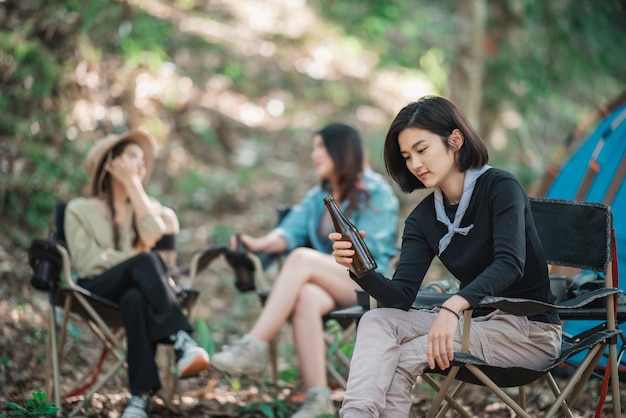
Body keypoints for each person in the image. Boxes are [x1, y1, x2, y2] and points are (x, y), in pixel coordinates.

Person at [330, 96, 562, 417]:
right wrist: (360, 269)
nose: (415, 164)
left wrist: (452, 307)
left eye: (422, 150)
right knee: (376, 319)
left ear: (455, 140)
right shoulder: (423, 218)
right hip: (471, 325)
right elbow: (399, 299)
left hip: (529, 331)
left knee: (405, 355)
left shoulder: (500, 187)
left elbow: (510, 263)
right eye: (407, 156)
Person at [212, 123, 399, 418]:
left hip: (368, 283)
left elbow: (371, 252)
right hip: (330, 284)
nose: (315, 155)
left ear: (342, 151)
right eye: (314, 148)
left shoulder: (376, 192)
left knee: (301, 259)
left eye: (321, 148)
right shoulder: (317, 197)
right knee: (307, 297)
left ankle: (254, 346)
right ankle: (318, 398)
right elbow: (287, 233)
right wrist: (256, 242)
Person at [64, 130, 211, 418]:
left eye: (143, 160)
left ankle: (138, 398)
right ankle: (181, 338)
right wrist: (132, 262)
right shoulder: (78, 210)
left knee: (134, 297)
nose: (141, 166)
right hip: (95, 290)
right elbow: (88, 261)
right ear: (110, 164)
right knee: (143, 262)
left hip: (140, 296)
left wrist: (133, 186)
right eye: (132, 157)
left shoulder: (155, 210)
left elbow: (156, 236)